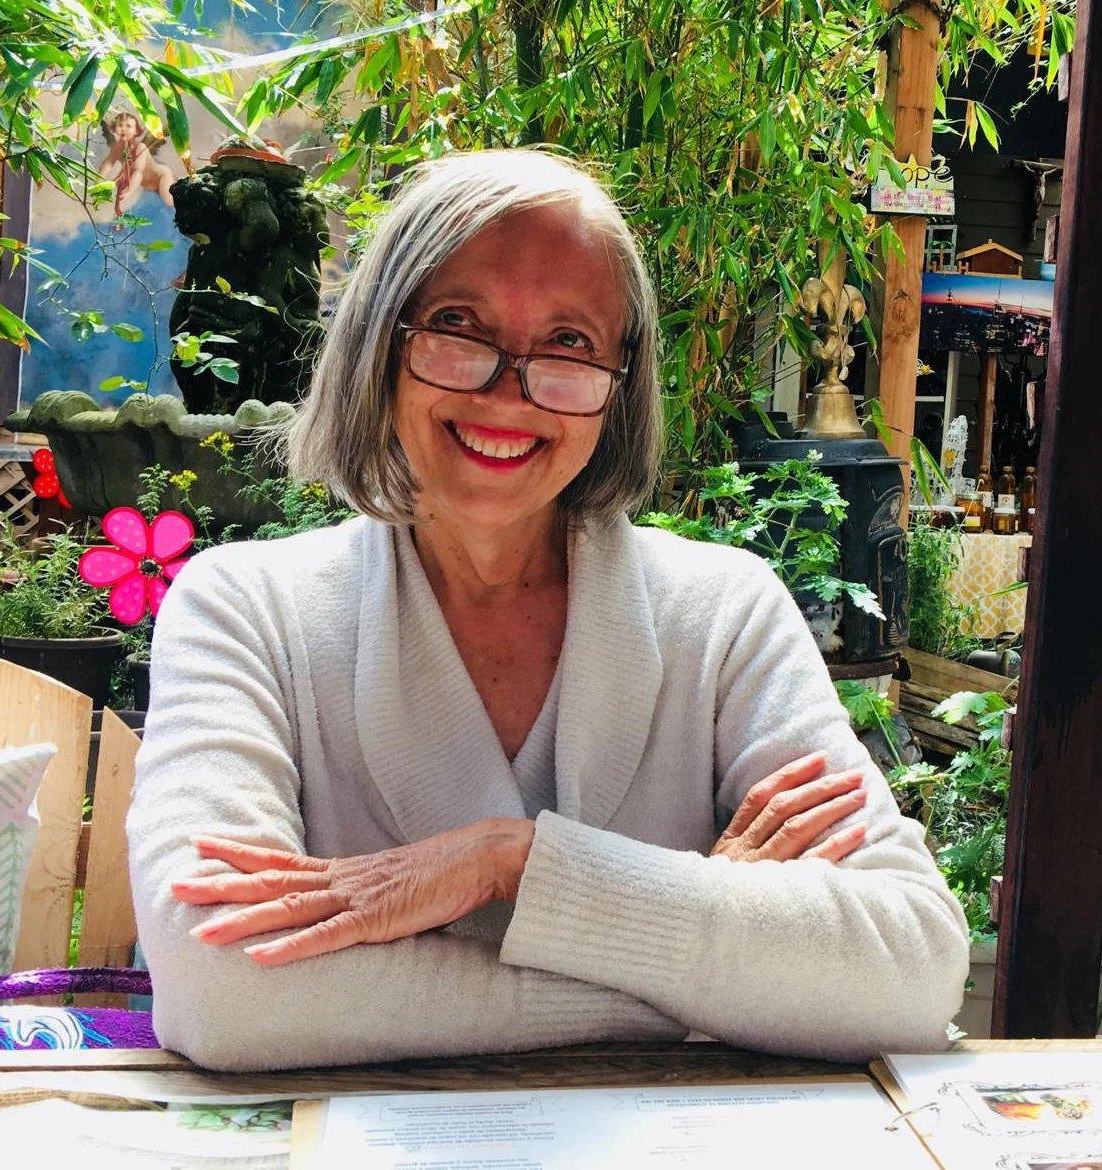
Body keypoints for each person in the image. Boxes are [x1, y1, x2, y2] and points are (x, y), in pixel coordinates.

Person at [128, 150, 969, 1073]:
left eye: (569, 342)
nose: (509, 388)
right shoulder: (249, 611)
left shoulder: (724, 617)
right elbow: (222, 990)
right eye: (458, 324)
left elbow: (910, 970)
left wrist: (513, 862)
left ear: (620, 382)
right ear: (380, 346)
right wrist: (684, 971)